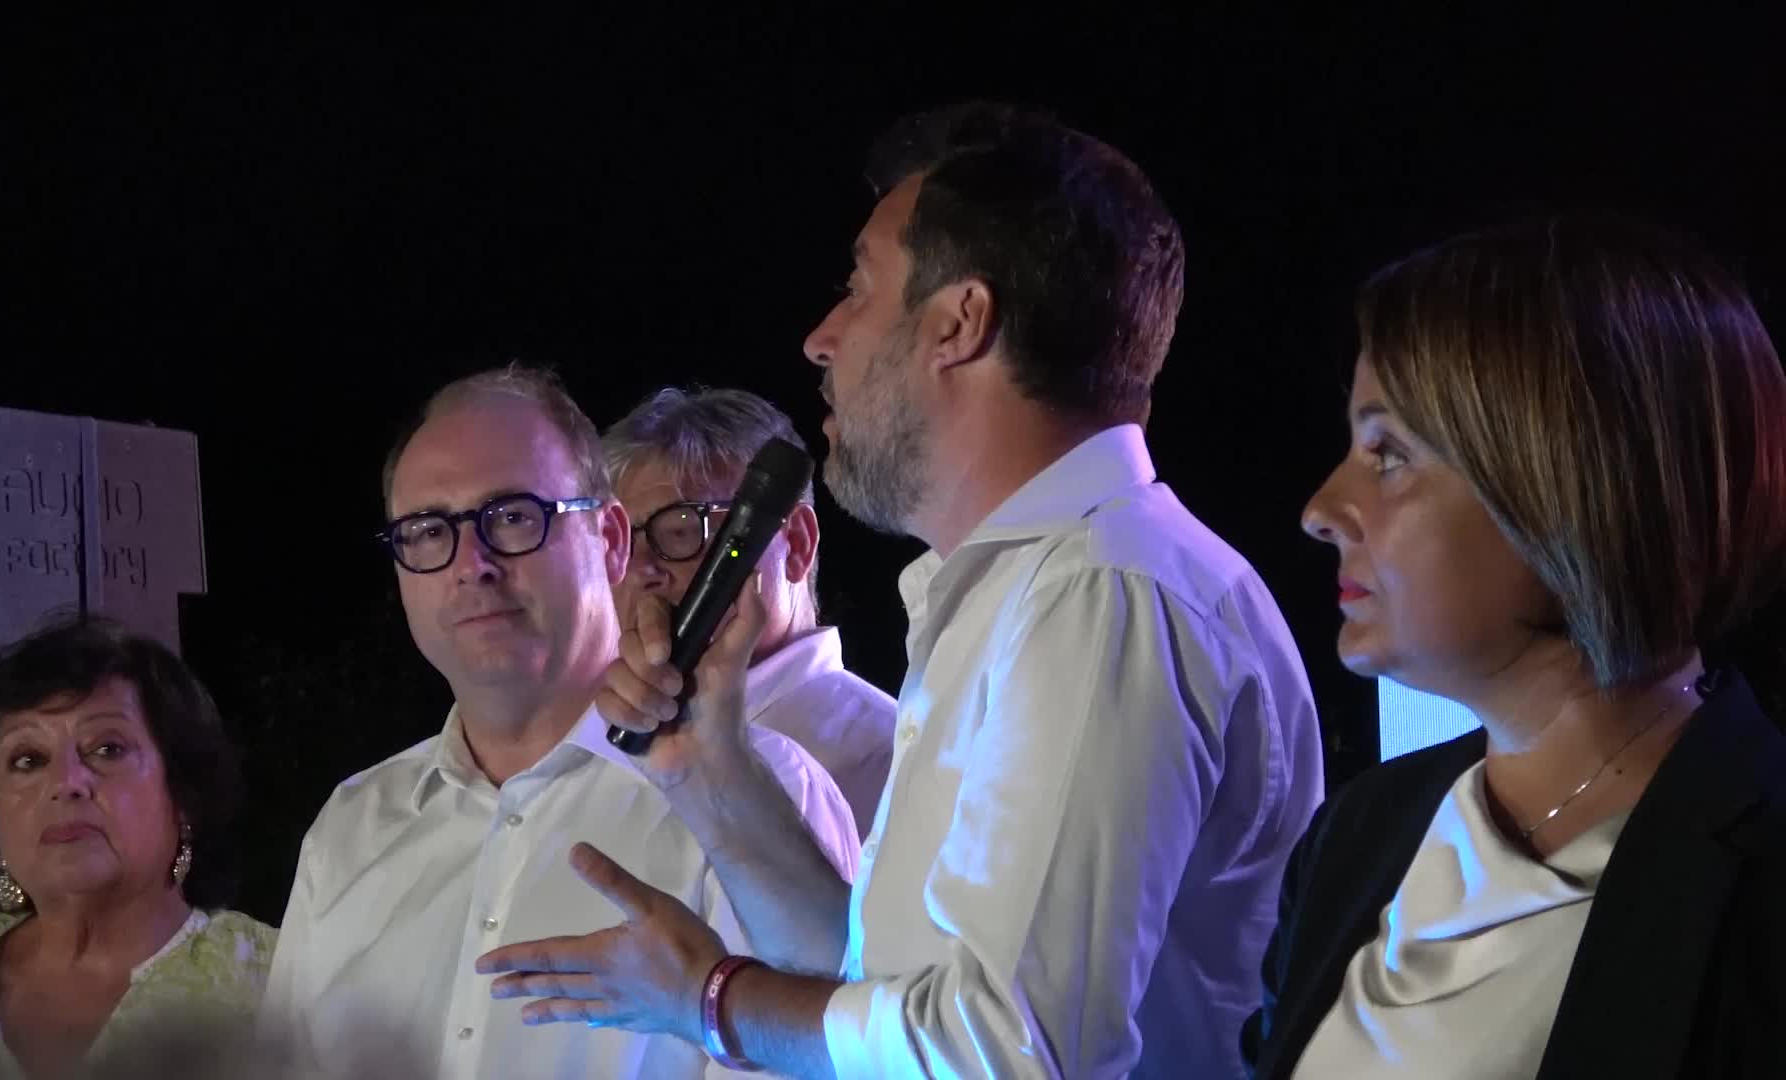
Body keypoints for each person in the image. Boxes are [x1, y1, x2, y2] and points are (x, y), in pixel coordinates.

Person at [480, 102, 1324, 1078]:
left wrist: (711, 1002)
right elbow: (886, 994)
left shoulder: (1102, 597)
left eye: (859, 288)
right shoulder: (1032, 596)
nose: (821, 337)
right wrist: (709, 771)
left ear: (959, 323)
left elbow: (1000, 1054)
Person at [1244, 216, 1786, 1078]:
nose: (1320, 510)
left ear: (1570, 485)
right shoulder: (1356, 835)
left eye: (1388, 454)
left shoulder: (1761, 892)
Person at [258, 365, 860, 1078]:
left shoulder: (757, 796)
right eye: (427, 531)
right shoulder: (352, 828)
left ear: (610, 539)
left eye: (513, 516)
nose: (471, 565)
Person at [0, 616, 275, 1079]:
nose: (65, 782)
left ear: (183, 793)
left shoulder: (284, 982)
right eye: (28, 760)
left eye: (107, 749)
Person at [605, 386, 897, 835]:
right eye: (624, 542)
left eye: (681, 529)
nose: (639, 569)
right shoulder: (601, 744)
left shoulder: (890, 759)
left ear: (796, 544)